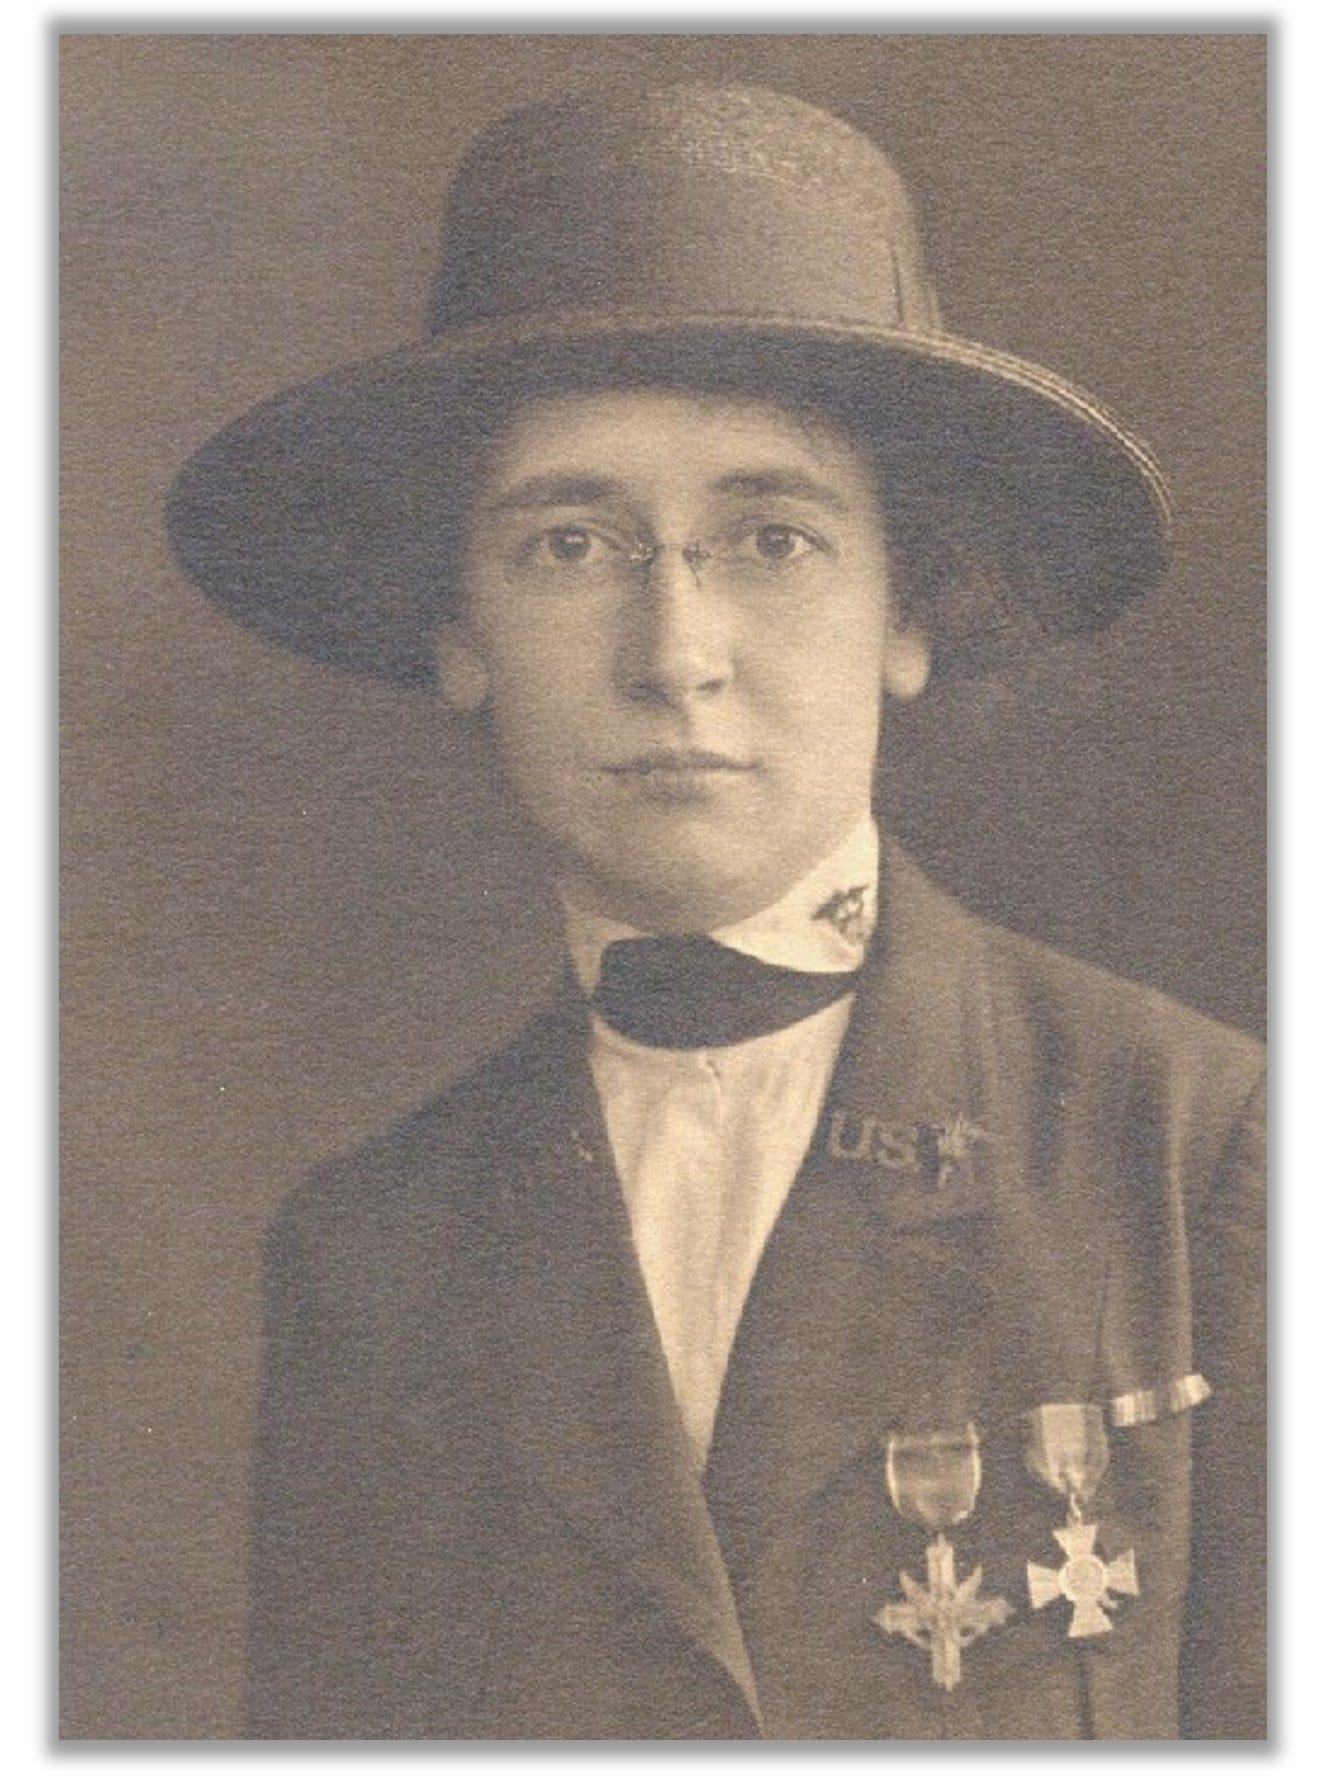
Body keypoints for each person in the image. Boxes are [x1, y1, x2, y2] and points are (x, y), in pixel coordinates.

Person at [167, 83, 1265, 1741]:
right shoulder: (367, 1255)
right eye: (567, 543)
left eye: (771, 537)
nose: (674, 651)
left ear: (910, 609)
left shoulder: (1200, 1149)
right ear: (455, 631)